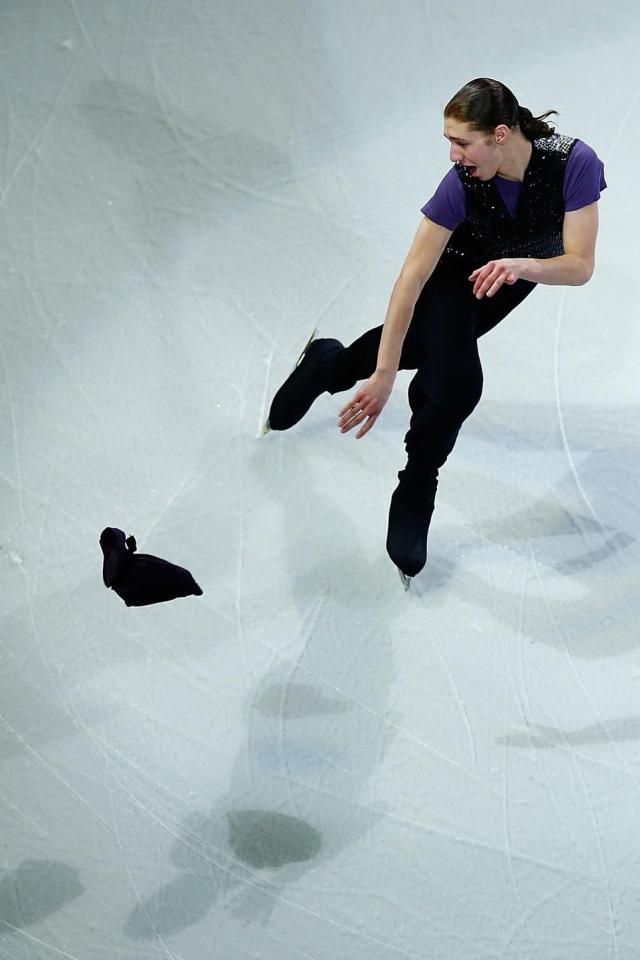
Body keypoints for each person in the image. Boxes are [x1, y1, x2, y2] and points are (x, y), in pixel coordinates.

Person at [264, 78, 606, 587]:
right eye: (449, 141)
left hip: (508, 280)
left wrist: (521, 266)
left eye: (462, 142)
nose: (453, 155)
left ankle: (327, 365)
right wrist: (384, 375)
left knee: (426, 353)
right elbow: (411, 279)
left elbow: (579, 265)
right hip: (453, 278)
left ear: (500, 134)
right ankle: (417, 485)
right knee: (458, 383)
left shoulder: (573, 162)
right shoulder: (460, 183)